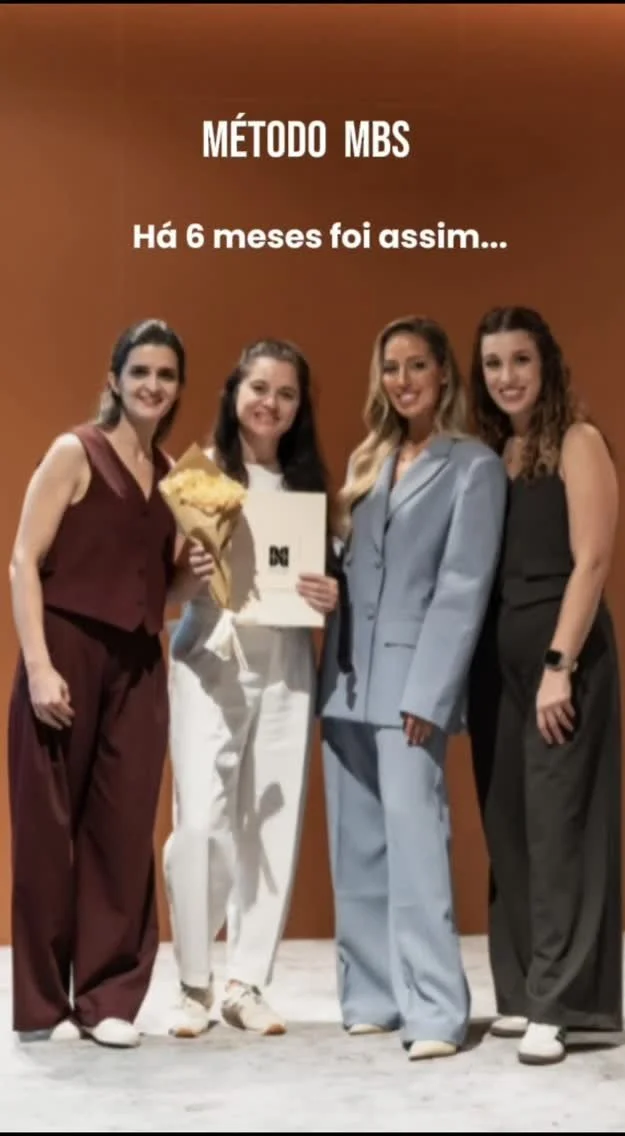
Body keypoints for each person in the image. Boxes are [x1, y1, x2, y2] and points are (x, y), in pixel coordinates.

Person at [7, 318, 214, 1048]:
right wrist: (39, 666)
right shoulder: (76, 451)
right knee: (47, 833)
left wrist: (194, 576)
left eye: (166, 375)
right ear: (115, 379)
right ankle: (43, 1006)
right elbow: (23, 560)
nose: (153, 385)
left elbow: (160, 591)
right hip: (65, 650)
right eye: (141, 372)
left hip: (139, 664)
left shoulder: (175, 476)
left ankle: (108, 998)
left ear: (178, 389)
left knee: (123, 832)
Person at [316, 315, 507, 1061]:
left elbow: (462, 588)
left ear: (444, 374)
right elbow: (352, 565)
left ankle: (434, 1010)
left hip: (409, 686)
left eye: (417, 365)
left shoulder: (473, 467)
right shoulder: (368, 460)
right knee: (356, 843)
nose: (403, 381)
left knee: (416, 842)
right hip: (346, 676)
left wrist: (430, 695)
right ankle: (372, 996)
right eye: (391, 367)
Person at [163, 337, 337, 1039]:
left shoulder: (308, 486)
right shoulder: (199, 475)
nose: (271, 403)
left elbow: (321, 580)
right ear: (235, 391)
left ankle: (247, 982)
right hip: (210, 654)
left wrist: (329, 594)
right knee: (201, 822)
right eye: (260, 387)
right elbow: (168, 588)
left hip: (287, 658)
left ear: (299, 408)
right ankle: (192, 982)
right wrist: (190, 572)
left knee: (271, 821)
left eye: (286, 393)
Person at [466, 305, 622, 1066]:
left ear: (546, 363)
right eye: (493, 364)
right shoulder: (494, 453)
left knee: (559, 826)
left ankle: (561, 1005)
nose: (507, 377)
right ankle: (528, 988)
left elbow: (592, 560)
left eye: (520, 360)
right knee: (509, 825)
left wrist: (561, 666)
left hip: (562, 655)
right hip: (496, 660)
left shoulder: (579, 441)